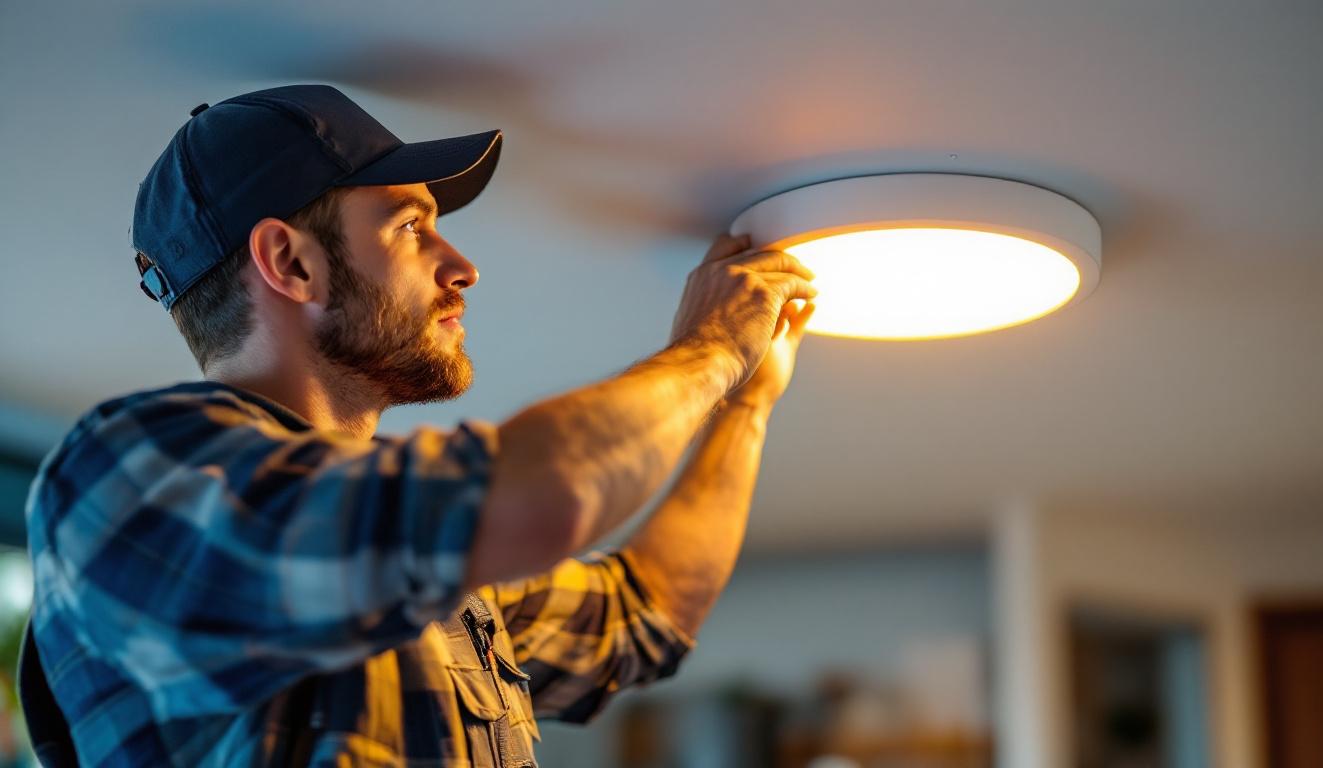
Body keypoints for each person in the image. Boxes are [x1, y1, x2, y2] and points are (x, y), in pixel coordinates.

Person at [20, 84, 817, 767]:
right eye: (411, 227)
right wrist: (710, 350)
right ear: (291, 263)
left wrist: (745, 397)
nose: (461, 264)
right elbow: (551, 494)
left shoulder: (417, 558)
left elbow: (642, 613)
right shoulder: (127, 477)